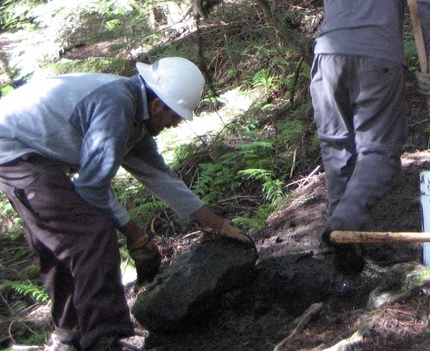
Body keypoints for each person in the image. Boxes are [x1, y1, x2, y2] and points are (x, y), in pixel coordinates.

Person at [193, 0, 430, 277]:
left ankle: (340, 236)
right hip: (380, 58)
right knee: (378, 149)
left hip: (327, 59)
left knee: (335, 144)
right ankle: (344, 226)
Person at [0, 57, 253, 351]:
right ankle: (104, 340)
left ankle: (71, 337)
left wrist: (218, 224)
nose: (174, 125)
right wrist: (136, 235)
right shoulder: (117, 108)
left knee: (59, 242)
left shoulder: (135, 113)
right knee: (92, 233)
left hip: (27, 150)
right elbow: (92, 188)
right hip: (15, 150)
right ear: (158, 106)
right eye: (175, 117)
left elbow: (160, 177)